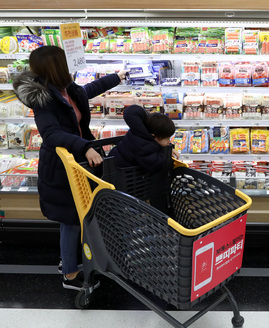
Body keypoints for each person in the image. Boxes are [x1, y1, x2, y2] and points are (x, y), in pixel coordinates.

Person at [13, 45, 128, 291]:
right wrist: (85, 146)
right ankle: (71, 275)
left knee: (78, 216)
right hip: (61, 167)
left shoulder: (66, 89)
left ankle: (68, 260)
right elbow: (51, 133)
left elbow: (87, 91)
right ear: (56, 67)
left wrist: (115, 78)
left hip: (77, 163)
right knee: (71, 220)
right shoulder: (43, 99)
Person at [108, 105, 178, 172]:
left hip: (116, 160)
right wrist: (166, 153)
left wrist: (169, 148)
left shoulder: (139, 133)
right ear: (153, 135)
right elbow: (156, 166)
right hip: (117, 171)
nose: (169, 141)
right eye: (167, 138)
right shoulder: (143, 147)